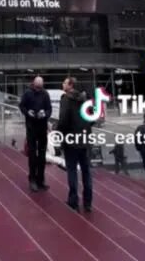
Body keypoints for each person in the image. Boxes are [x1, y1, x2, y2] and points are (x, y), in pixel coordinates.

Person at [55, 77, 93, 213]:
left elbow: (63, 120)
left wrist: (59, 133)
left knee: (72, 171)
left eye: (64, 82)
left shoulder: (66, 99)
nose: (62, 84)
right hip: (85, 139)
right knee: (86, 171)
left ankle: (73, 202)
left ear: (70, 85)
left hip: (71, 140)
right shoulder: (86, 99)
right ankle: (88, 203)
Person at [18, 76, 51, 192]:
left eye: (40, 87)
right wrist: (28, 113)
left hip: (42, 127)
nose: (38, 89)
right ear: (33, 84)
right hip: (31, 127)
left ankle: (40, 180)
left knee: (42, 155)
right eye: (37, 87)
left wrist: (45, 114)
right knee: (32, 155)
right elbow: (21, 106)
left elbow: (49, 109)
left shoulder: (45, 94)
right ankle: (32, 180)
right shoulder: (27, 94)